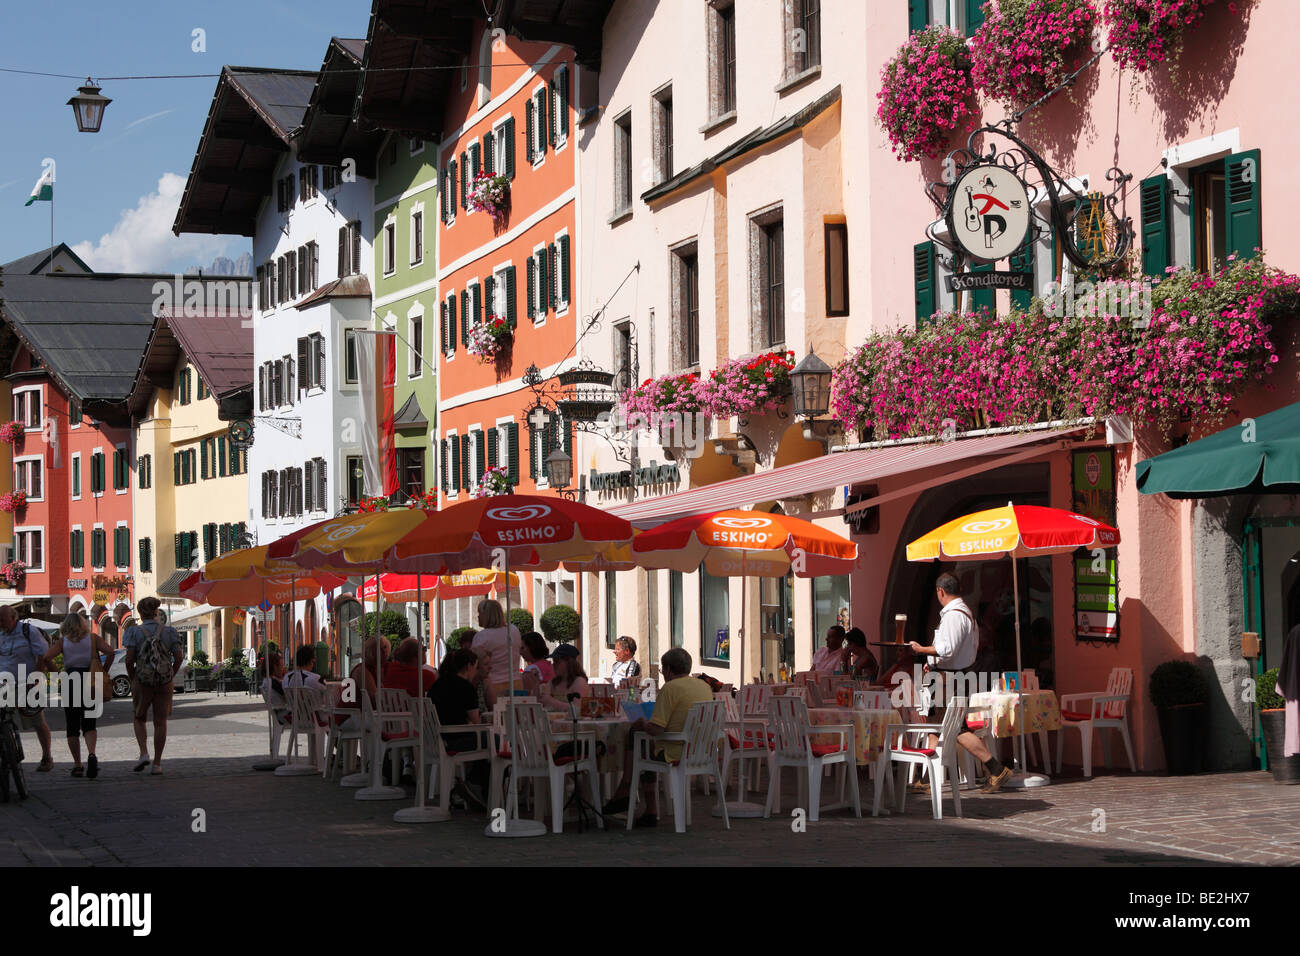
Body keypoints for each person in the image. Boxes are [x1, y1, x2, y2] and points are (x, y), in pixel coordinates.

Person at [909, 572, 1011, 792]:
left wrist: (921, 649)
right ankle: (928, 779)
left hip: (950, 679)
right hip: (949, 675)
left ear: (941, 591)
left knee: (955, 728)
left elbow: (948, 649)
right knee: (935, 727)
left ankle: (995, 768)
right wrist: (932, 662)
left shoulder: (955, 615)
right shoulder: (963, 612)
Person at [602, 647, 714, 827]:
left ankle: (631, 791)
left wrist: (641, 723)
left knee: (639, 738)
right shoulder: (704, 686)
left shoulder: (670, 688)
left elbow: (656, 729)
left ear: (669, 669)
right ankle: (631, 793)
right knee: (644, 744)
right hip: (700, 750)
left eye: (663, 670)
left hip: (675, 751)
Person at [47, 612, 116, 778]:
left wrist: (57, 674)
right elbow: (111, 651)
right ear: (83, 624)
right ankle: (91, 754)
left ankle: (78, 765)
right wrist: (104, 670)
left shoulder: (63, 642)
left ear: (66, 626)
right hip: (91, 681)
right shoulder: (93, 639)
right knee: (89, 723)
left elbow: (46, 657)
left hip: (71, 681)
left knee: (72, 725)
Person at [122, 596, 185, 775]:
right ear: (156, 612)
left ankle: (143, 752)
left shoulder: (133, 632)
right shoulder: (170, 632)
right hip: (164, 681)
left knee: (139, 717)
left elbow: (128, 660)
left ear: (140, 613)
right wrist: (170, 673)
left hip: (143, 680)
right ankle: (157, 764)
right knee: (160, 722)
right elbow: (179, 657)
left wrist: (134, 678)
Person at [0, 606, 58, 771]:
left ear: (13, 618)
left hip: (26, 682)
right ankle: (6, 750)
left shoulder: (28, 631)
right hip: (4, 684)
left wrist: (37, 677)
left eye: (3, 620)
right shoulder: (1, 635)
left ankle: (47, 756)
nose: (1, 623)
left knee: (37, 721)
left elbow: (42, 655)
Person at [427, 647, 488, 804]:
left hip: (436, 739)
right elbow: (476, 721)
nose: (475, 671)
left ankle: (475, 786)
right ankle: (476, 785)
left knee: (487, 740)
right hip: (457, 739)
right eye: (475, 667)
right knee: (494, 740)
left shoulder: (437, 685)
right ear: (468, 666)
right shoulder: (466, 687)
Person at [469, 599, 521, 697]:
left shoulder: (482, 636)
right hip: (516, 683)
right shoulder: (513, 630)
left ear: (486, 615)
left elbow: (474, 663)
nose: (478, 616)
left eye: (480, 613)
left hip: (492, 685)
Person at [538, 643, 588, 711]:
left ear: (568, 662)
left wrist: (550, 701)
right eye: (554, 661)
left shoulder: (579, 682)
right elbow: (542, 702)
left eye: (557, 662)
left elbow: (578, 708)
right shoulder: (553, 682)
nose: (553, 665)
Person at [519, 632, 554, 697]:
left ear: (532, 647)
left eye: (522, 648)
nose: (520, 652)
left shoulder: (530, 670)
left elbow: (527, 696)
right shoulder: (549, 665)